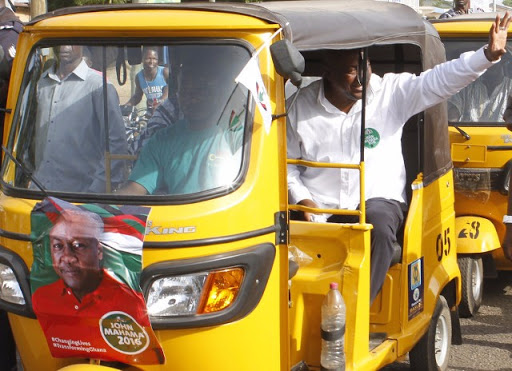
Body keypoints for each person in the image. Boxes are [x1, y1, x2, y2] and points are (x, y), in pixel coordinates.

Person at [287, 13, 511, 303]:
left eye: (365, 67)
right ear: (327, 72)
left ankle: (355, 315)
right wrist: (304, 200)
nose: (362, 78)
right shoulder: (298, 106)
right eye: (352, 70)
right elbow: (289, 165)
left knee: (378, 227)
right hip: (319, 206)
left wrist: (487, 56)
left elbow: (440, 80)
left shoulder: (390, 92)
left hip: (376, 200)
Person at [118, 52, 245, 196]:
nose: (193, 98)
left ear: (219, 92)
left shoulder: (237, 135)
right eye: (186, 90)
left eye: (201, 90)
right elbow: (134, 190)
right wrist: (100, 208)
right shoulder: (162, 140)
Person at [33, 45, 128, 193]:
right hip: (37, 192)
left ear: (82, 45)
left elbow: (116, 143)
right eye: (61, 40)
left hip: (78, 197)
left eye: (71, 41)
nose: (65, 46)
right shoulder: (42, 83)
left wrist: (96, 192)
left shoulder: (98, 86)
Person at [31, 208, 150, 327]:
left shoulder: (129, 301)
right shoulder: (41, 297)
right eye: (58, 246)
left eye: (78, 245)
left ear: (99, 251)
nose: (67, 258)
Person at [448, 50, 512, 122]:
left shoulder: (510, 87)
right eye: (486, 62)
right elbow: (453, 114)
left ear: (502, 63)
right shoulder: (467, 86)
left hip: (503, 133)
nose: (488, 66)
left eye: (493, 62)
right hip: (467, 132)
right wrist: (451, 120)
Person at [124, 46, 169, 114]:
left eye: (154, 59)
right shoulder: (139, 77)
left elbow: (169, 91)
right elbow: (137, 96)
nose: (151, 62)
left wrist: (160, 102)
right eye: (148, 58)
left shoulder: (164, 72)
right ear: (142, 59)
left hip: (166, 111)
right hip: (151, 113)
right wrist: (126, 106)